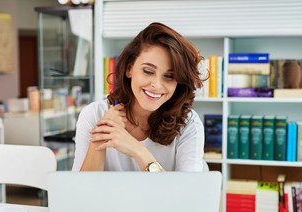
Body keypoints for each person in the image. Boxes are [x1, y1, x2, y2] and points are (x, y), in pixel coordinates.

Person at [72, 22, 205, 172]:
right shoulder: (95, 114)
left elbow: (188, 194)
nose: (156, 84)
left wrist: (138, 151)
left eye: (169, 76)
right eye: (148, 71)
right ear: (129, 69)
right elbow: (82, 190)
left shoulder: (189, 125)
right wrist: (102, 136)